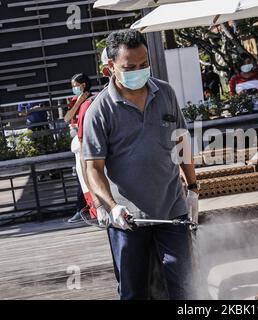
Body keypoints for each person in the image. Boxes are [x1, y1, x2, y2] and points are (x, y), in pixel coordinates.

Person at [82, 30, 198, 300]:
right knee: (135, 291)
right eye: (129, 67)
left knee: (182, 286)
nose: (139, 71)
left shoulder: (166, 93)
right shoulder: (99, 110)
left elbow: (181, 143)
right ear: (110, 67)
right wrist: (111, 207)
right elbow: (93, 168)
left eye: (144, 64)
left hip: (172, 211)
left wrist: (193, 188)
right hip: (127, 219)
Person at [67, 73, 94, 223]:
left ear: (83, 85)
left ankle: (89, 207)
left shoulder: (92, 99)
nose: (74, 89)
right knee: (81, 176)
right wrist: (78, 102)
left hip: (88, 142)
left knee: (88, 175)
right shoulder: (74, 101)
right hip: (77, 142)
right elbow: (67, 118)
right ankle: (84, 207)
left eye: (76, 86)